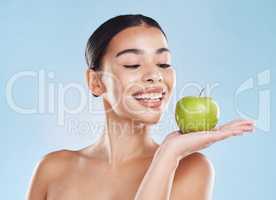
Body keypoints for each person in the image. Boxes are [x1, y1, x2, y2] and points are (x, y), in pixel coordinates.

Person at [26, 14, 255, 200]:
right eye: (133, 64)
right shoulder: (53, 169)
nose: (155, 75)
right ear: (95, 82)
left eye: (163, 63)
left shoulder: (190, 169)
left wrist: (169, 154)